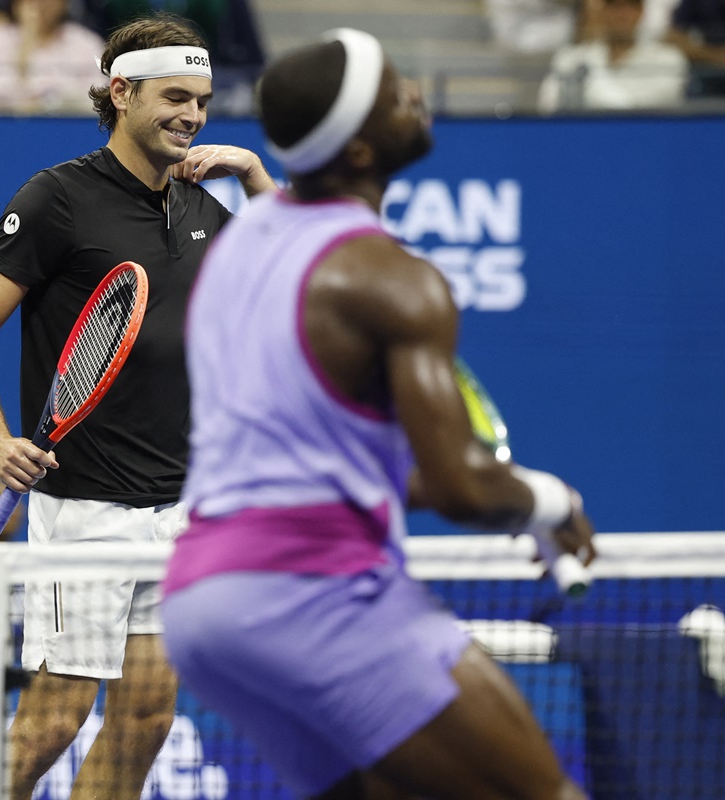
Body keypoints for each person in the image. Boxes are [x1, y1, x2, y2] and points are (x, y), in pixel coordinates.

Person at [161, 28, 598, 800]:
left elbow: (368, 473)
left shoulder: (239, 248)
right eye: (398, 92)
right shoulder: (391, 277)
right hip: (315, 594)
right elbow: (460, 488)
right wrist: (553, 501)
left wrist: (519, 500)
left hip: (201, 607)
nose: (418, 97)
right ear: (360, 151)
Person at [0, 12, 274, 800]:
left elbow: (295, 278)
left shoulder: (204, 209)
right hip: (85, 511)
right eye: (174, 97)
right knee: (55, 718)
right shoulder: (57, 197)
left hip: (179, 508)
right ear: (120, 92)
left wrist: (257, 178)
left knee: (147, 717)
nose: (192, 115)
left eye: (201, 99)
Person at [539, 0, 688, 111]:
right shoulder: (572, 57)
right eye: (614, 6)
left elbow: (637, 111)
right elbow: (549, 104)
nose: (622, 14)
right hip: (581, 140)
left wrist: (589, 79)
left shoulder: (667, 59)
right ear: (602, 11)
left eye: (630, 6)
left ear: (642, 11)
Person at [0, 0, 105, 113]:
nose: (41, 3)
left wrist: (55, 100)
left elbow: (99, 95)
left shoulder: (87, 43)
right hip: (11, 128)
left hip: (71, 127)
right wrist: (27, 40)